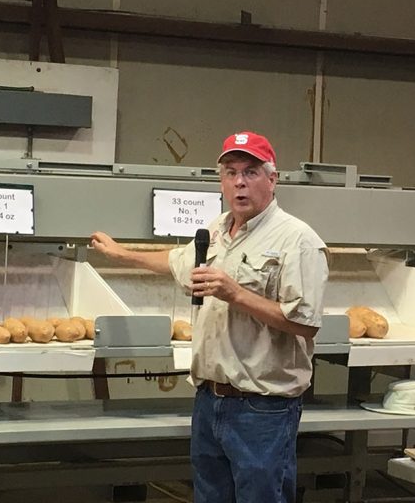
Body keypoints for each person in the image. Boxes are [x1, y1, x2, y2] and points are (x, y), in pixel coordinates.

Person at [90, 131, 329, 503]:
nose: (239, 182)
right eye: (230, 172)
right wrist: (121, 255)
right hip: (209, 400)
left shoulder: (297, 240)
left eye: (250, 172)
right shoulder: (217, 231)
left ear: (273, 178)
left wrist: (235, 293)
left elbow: (305, 322)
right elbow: (176, 262)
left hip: (262, 408)